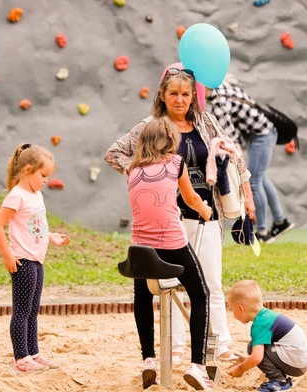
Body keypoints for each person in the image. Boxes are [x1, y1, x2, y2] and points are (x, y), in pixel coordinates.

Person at [105, 64, 255, 366]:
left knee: (210, 280)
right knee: (171, 283)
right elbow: (114, 154)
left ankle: (221, 343)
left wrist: (248, 196)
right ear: (163, 94)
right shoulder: (152, 127)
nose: (179, 99)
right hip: (168, 218)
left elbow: (234, 154)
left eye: (186, 94)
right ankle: (175, 346)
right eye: (173, 93)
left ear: (193, 97)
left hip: (207, 212)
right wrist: (142, 169)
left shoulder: (205, 121)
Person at [126, 117, 214, 390]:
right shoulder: (176, 163)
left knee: (142, 295)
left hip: (140, 250)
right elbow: (189, 198)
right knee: (201, 295)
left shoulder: (133, 170)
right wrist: (204, 210)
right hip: (171, 246)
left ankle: (148, 359)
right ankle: (197, 365)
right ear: (170, 141)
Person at [0, 143, 71, 374]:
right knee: (22, 311)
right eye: (43, 175)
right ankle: (21, 358)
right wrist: (7, 256)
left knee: (33, 310)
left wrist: (51, 236)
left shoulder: (37, 195)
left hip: (37, 259)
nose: (46, 180)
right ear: (28, 170)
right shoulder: (17, 196)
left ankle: (33, 353)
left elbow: (36, 227)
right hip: (22, 261)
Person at [206, 82, 295, 244]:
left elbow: (228, 137)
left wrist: (239, 162)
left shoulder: (218, 101)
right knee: (261, 179)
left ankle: (262, 231)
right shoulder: (224, 86)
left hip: (262, 135)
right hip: (264, 132)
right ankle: (281, 221)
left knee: (253, 181)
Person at [226, 280, 307, 392]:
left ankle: (279, 382)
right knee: (253, 347)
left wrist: (240, 369)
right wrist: (246, 360)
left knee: (254, 347)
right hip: (300, 359)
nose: (231, 312)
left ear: (240, 308)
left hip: (296, 362)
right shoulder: (266, 316)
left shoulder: (260, 325)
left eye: (231, 308)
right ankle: (280, 380)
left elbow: (257, 358)